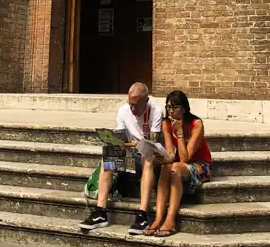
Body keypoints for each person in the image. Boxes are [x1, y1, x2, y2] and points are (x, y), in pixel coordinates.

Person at [80, 81, 163, 235]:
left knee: (148, 157)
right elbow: (120, 139)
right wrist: (117, 143)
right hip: (130, 155)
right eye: (130, 104)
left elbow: (154, 142)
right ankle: (101, 211)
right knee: (108, 157)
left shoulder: (155, 110)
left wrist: (137, 145)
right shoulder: (123, 111)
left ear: (146, 101)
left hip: (149, 158)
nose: (132, 109)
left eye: (136, 105)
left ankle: (142, 214)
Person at [146, 90, 212, 237]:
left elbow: (184, 159)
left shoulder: (196, 124)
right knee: (165, 167)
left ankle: (170, 219)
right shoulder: (166, 123)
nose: (171, 111)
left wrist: (180, 133)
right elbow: (171, 154)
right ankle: (158, 218)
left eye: (174, 107)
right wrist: (161, 157)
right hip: (180, 165)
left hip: (200, 165)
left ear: (184, 108)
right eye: (168, 107)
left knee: (175, 167)